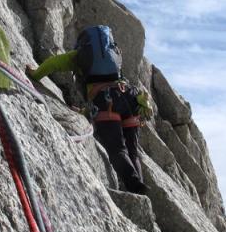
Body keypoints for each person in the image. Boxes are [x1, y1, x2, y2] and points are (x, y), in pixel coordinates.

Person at [27, 25, 152, 195]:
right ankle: (140, 187)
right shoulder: (114, 54)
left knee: (117, 150)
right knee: (132, 151)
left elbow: (53, 64)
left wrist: (35, 75)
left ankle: (135, 186)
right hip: (128, 98)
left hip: (105, 100)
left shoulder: (79, 56)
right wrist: (85, 112)